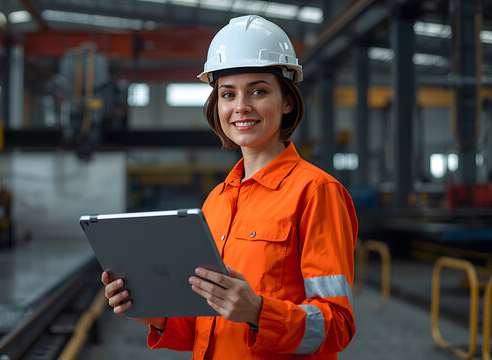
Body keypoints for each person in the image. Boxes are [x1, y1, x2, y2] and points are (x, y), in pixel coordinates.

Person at [102, 15, 357, 359]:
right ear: (216, 105)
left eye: (258, 91)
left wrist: (258, 312)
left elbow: (337, 328)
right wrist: (155, 315)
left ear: (287, 102)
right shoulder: (217, 201)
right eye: (227, 94)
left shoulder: (315, 192)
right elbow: (207, 324)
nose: (241, 106)